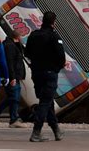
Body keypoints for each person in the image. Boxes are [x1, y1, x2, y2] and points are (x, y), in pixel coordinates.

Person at [25, 11, 66, 142]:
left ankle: (56, 131)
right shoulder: (54, 37)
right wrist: (56, 68)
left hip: (36, 73)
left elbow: (27, 53)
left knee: (47, 101)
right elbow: (61, 57)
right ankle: (36, 132)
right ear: (54, 22)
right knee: (45, 102)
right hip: (49, 73)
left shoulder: (33, 35)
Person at [0, 30, 27, 128]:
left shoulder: (14, 45)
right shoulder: (9, 46)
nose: (22, 38)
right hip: (11, 77)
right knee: (14, 97)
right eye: (21, 36)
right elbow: (10, 63)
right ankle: (8, 118)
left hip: (15, 76)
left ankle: (11, 119)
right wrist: (12, 78)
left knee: (13, 98)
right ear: (17, 37)